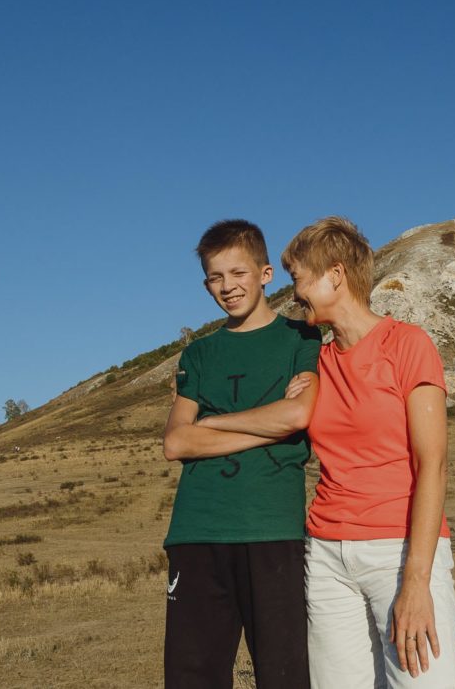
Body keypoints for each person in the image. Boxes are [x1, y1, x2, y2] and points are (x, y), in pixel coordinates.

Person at [202, 216, 455, 688]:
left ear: (335, 276)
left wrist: (416, 581)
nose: (294, 293)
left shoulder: (408, 345)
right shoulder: (316, 364)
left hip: (398, 550)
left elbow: (434, 466)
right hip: (326, 556)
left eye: (299, 278)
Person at [161, 219, 320, 689]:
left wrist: (212, 423)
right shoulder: (198, 355)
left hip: (274, 530)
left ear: (266, 274)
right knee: (193, 676)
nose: (227, 287)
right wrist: (269, 425)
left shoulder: (302, 338)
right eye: (215, 277)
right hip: (197, 532)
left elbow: (298, 415)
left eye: (238, 273)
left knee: (286, 674)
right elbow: (176, 443)